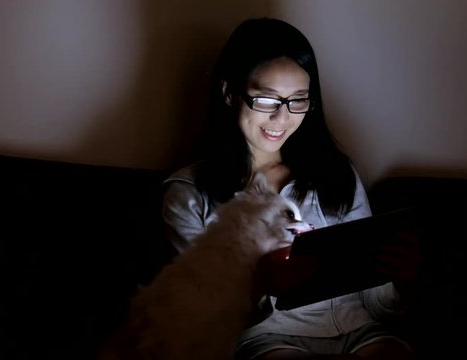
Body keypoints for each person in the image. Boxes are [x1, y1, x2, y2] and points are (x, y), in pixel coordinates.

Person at [162, 17, 418, 359]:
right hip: (270, 340)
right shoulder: (190, 194)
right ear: (228, 93)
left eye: (298, 100)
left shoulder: (337, 174)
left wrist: (393, 276)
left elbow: (381, 305)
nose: (282, 119)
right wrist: (260, 285)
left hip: (360, 331)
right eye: (267, 100)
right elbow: (199, 316)